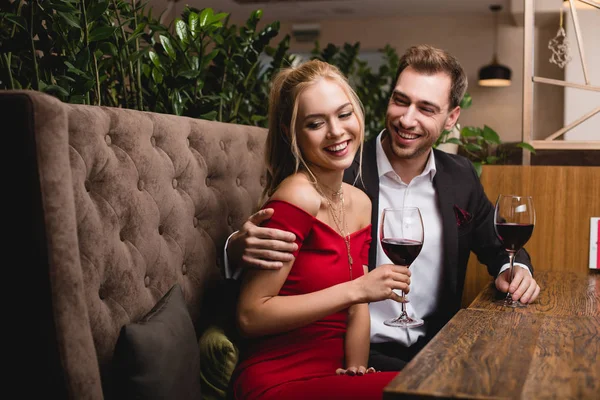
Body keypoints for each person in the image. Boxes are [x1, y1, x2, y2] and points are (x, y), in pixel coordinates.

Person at [225, 44, 541, 372]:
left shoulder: (460, 176)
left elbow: (499, 245)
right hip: (354, 351)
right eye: (401, 100)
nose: (407, 119)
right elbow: (277, 237)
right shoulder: (336, 166)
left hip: (436, 350)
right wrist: (234, 248)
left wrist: (515, 270)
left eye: (426, 109)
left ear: (451, 118)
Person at [229, 59, 406, 400]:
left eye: (343, 114)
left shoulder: (360, 201)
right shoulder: (297, 196)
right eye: (315, 123)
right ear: (290, 132)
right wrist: (357, 289)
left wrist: (356, 368)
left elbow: (358, 309)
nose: (336, 132)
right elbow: (250, 315)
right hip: (278, 379)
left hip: (334, 376)